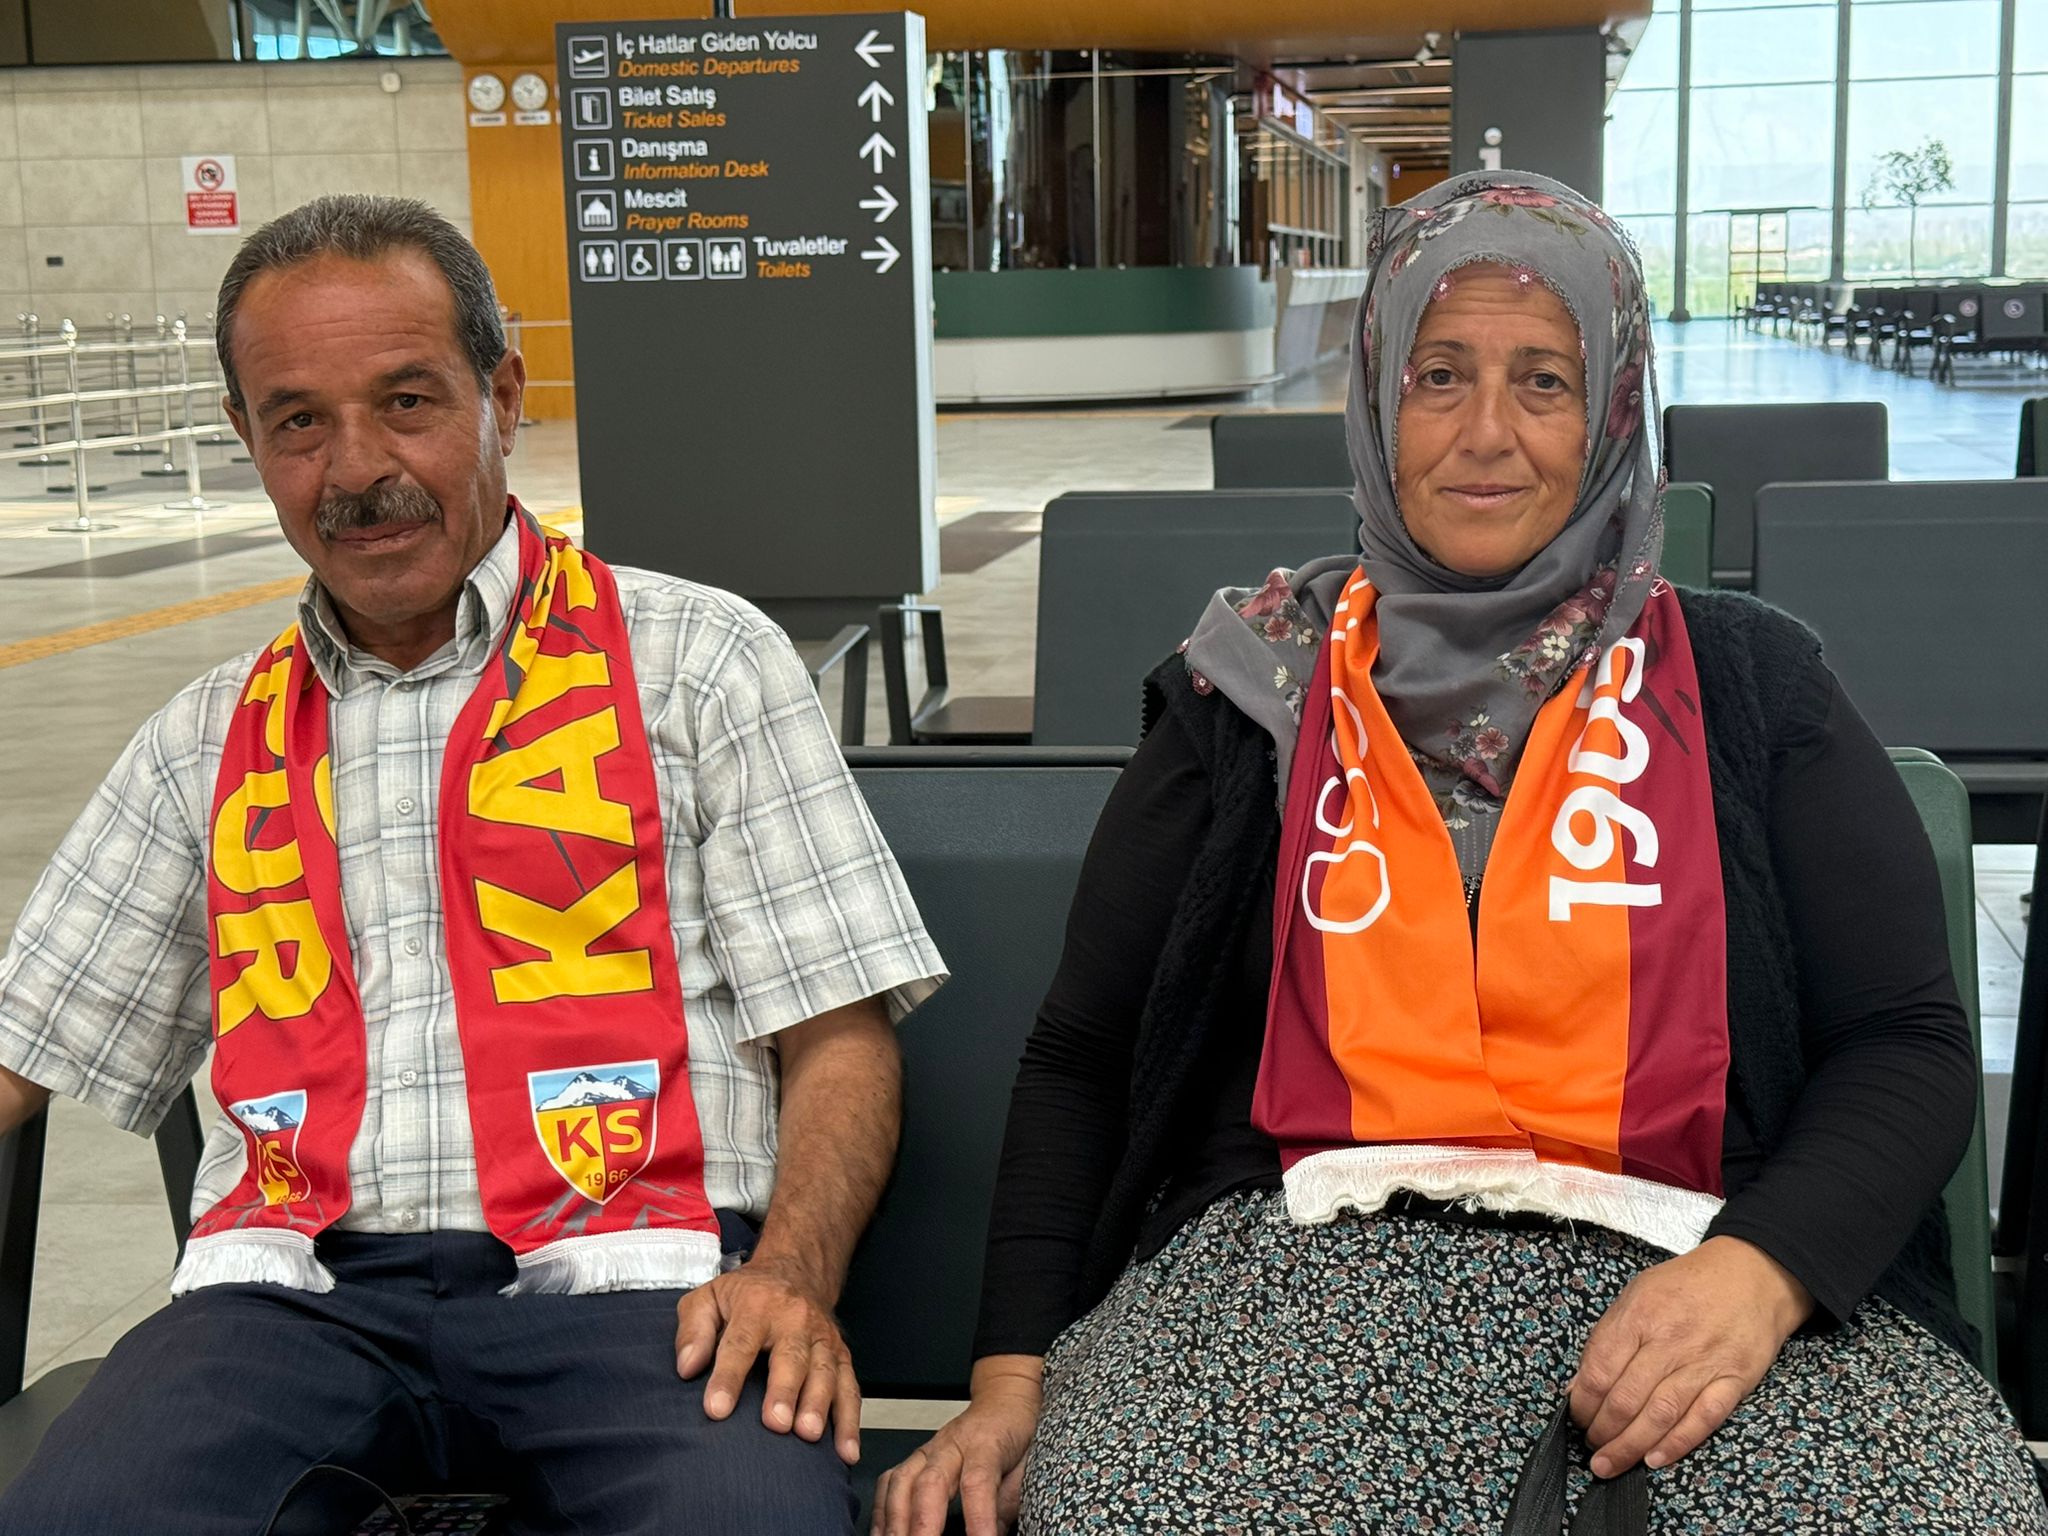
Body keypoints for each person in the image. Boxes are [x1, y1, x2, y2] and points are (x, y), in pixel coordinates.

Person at [875, 171, 2048, 1534]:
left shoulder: (1748, 685)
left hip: (1698, 1260)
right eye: (1441, 376)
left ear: (1614, 412)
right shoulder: (1251, 690)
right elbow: (1084, 1052)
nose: (1487, 433)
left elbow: (1903, 1040)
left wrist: (1766, 1267)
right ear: (1379, 402)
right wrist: (1012, 1381)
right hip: (1294, 1282)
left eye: (1544, 381)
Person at [0, 194, 945, 1534]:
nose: (356, 468)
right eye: (298, 420)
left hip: (640, 1283)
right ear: (245, 437)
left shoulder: (697, 664)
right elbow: (22, 1049)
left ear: (502, 395)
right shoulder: (205, 738)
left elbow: (840, 1037)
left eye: (406, 402)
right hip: (290, 1303)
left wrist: (790, 1276)